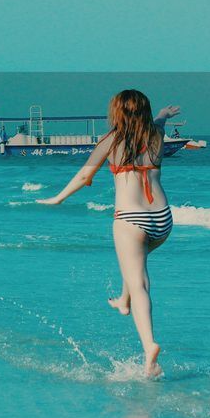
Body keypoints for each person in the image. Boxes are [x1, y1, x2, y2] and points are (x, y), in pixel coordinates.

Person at [37, 91, 180, 377]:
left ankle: (149, 346)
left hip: (130, 219)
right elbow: (159, 122)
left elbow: (83, 175)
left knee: (139, 282)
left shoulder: (110, 140)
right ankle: (123, 301)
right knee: (135, 265)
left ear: (116, 113)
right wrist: (163, 114)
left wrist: (59, 198)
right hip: (163, 221)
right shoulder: (156, 134)